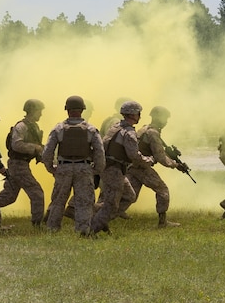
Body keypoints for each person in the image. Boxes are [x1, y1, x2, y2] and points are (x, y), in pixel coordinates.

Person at [0, 98, 47, 228]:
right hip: (18, 165)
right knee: (37, 193)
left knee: (9, 196)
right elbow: (16, 145)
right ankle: (37, 225)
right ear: (32, 111)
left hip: (19, 165)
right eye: (39, 111)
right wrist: (34, 148)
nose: (41, 114)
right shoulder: (22, 126)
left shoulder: (33, 126)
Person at [41, 95, 105, 234]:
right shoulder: (90, 129)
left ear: (67, 110)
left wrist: (51, 168)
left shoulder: (59, 128)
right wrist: (96, 170)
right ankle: (83, 231)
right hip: (84, 168)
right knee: (84, 202)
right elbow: (100, 151)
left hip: (63, 167)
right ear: (82, 110)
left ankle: (52, 230)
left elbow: (47, 152)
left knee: (58, 201)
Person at [90, 100, 153, 235]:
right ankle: (91, 230)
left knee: (129, 195)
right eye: (138, 113)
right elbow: (134, 155)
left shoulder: (115, 127)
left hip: (110, 168)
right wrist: (148, 160)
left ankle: (97, 214)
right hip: (114, 169)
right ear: (133, 114)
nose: (139, 116)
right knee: (111, 205)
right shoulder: (129, 133)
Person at [119, 105, 182, 227]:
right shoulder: (153, 133)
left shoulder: (144, 129)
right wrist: (176, 165)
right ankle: (162, 222)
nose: (166, 122)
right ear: (159, 118)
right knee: (163, 190)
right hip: (143, 168)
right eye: (165, 119)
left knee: (130, 196)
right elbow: (160, 157)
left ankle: (104, 214)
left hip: (133, 167)